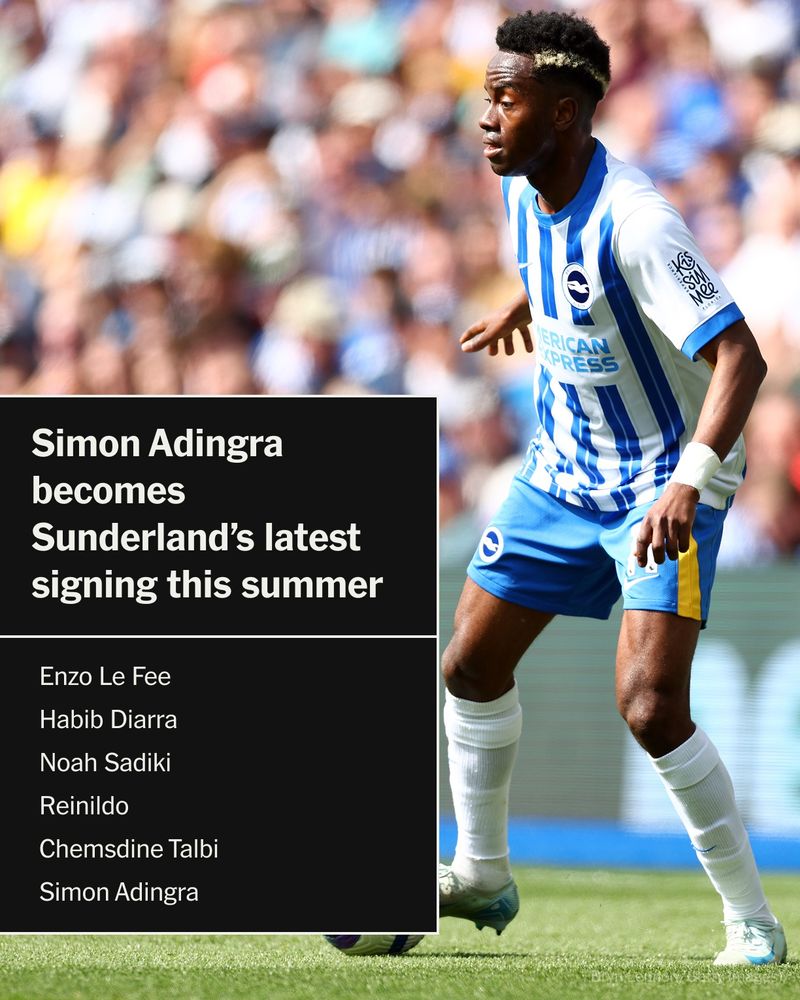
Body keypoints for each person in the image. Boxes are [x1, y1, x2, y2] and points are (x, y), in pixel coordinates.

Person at [439, 9, 786, 966]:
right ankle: (479, 873)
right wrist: (530, 299)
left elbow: (741, 359)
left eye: (505, 101)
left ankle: (752, 921)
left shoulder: (638, 222)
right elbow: (553, 257)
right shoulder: (524, 184)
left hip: (657, 484)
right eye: (488, 99)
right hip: (561, 471)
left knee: (649, 706)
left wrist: (691, 481)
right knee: (468, 664)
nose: (487, 119)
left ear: (563, 112)